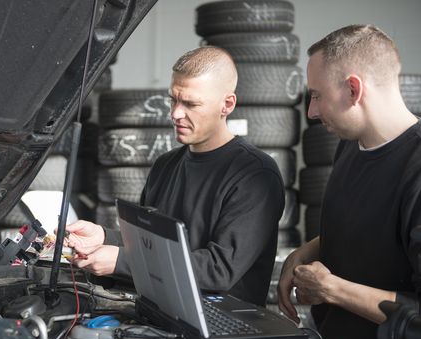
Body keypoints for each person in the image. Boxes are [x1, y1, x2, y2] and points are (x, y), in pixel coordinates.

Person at [277, 24, 421, 339]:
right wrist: (307, 249)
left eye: (316, 96)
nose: (311, 112)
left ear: (353, 89)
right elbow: (372, 225)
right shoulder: (352, 143)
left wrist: (330, 289)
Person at [65, 46, 285, 306]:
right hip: (163, 313)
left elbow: (219, 270)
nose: (175, 113)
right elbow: (151, 242)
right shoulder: (165, 165)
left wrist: (121, 261)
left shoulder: (255, 175)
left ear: (227, 104)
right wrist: (102, 236)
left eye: (190, 104)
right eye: (173, 100)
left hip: (223, 327)